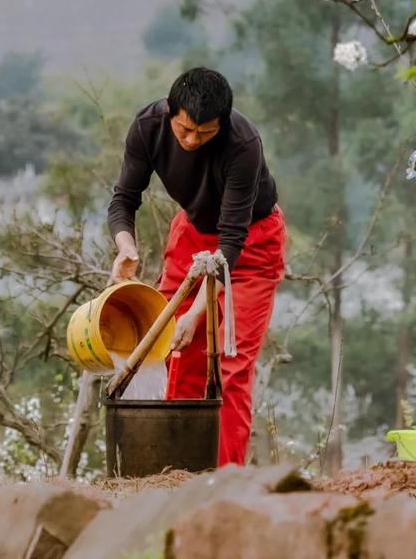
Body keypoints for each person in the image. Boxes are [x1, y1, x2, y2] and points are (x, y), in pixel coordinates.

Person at [107, 67, 286, 465]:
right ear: (170, 111)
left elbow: (232, 242)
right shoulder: (148, 127)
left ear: (221, 123)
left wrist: (198, 312)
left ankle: (223, 479)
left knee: (232, 366)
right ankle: (181, 469)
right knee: (173, 347)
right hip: (192, 235)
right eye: (184, 130)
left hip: (250, 247)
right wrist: (125, 246)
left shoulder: (243, 144)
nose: (191, 141)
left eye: (203, 134)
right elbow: (123, 200)